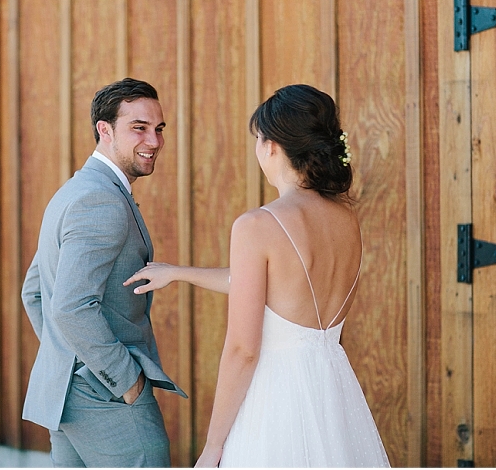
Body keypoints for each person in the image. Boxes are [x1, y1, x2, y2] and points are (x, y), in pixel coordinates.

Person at [125, 84, 390, 467]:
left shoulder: (258, 225)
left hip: (276, 399)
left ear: (271, 146)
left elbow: (242, 350)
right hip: (332, 390)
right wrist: (179, 273)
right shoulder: (345, 219)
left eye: (258, 138)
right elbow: (276, 285)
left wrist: (214, 445)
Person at [21, 77, 187, 468]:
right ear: (105, 130)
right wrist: (124, 381)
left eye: (159, 129)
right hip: (107, 399)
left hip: (67, 396)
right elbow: (70, 306)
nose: (155, 141)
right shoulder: (100, 200)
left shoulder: (73, 191)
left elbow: (35, 292)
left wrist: (68, 359)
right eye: (139, 128)